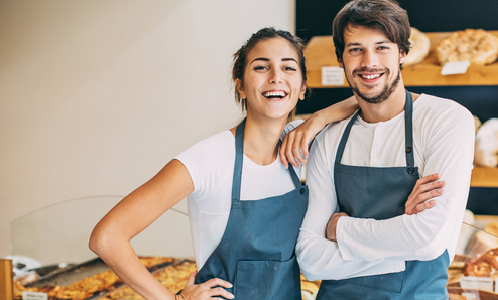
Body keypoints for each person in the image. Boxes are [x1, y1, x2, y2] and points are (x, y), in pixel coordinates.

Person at [89, 27, 441, 300]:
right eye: (261, 67)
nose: (276, 77)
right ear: (240, 85)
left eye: (288, 68)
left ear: (302, 86)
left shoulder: (300, 144)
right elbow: (108, 237)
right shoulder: (209, 158)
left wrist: (316, 120)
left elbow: (371, 99)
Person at [295, 0, 476, 299]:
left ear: (403, 52)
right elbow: (311, 261)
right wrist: (402, 244)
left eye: (382, 47)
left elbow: (428, 241)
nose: (369, 62)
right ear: (341, 59)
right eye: (355, 49)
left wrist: (340, 229)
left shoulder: (446, 120)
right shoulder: (329, 137)